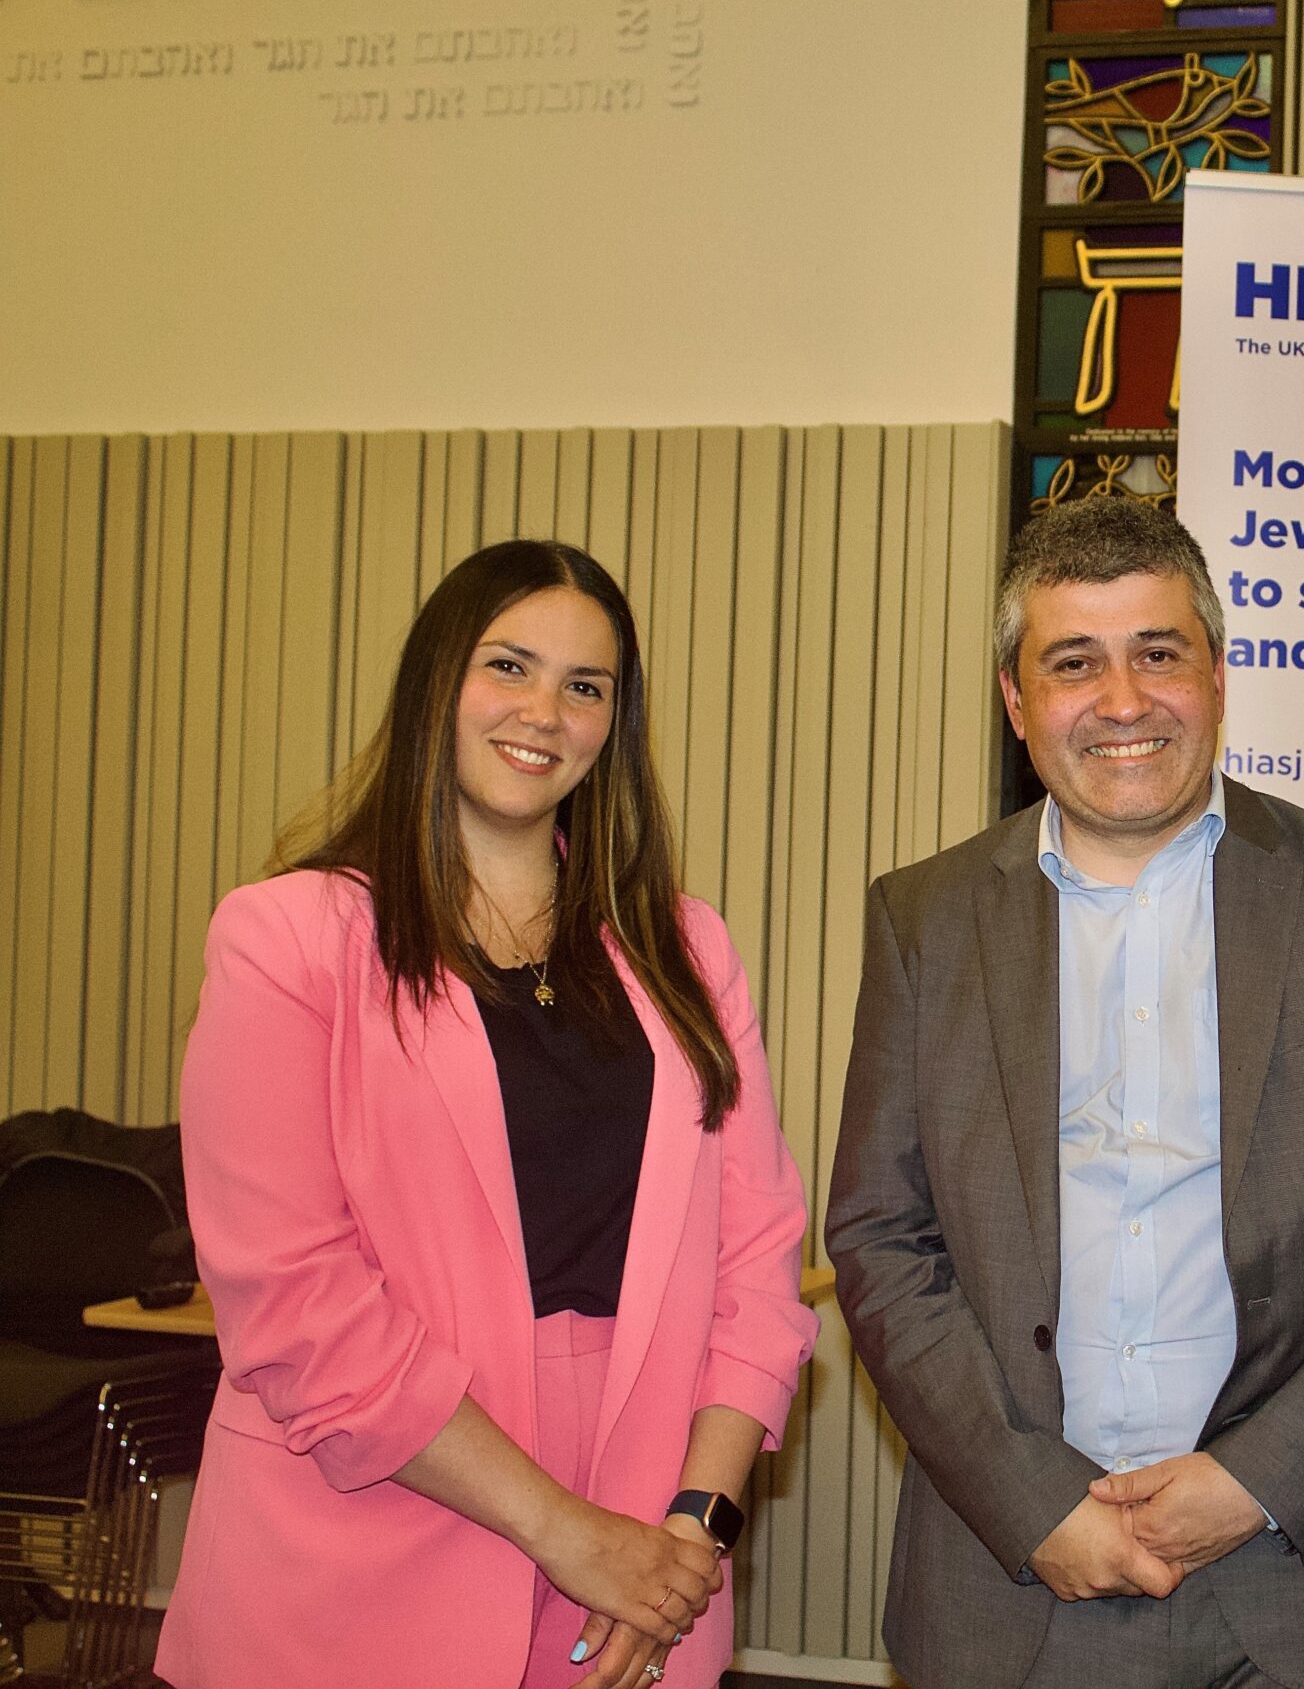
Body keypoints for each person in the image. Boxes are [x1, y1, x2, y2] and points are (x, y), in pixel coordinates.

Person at [825, 496, 1304, 1689]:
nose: (1122, 703)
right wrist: (1034, 1503)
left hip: (1288, 1579)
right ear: (1019, 703)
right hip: (1010, 1577)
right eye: (1074, 664)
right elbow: (881, 1238)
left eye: (1158, 654)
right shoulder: (920, 920)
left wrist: (1255, 1480)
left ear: (1219, 677)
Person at [160, 540, 819, 1689]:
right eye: (507, 666)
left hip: (640, 1556)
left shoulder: (686, 949)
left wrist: (686, 1532)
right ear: (436, 684)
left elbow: (758, 1266)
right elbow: (294, 1304)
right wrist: (566, 1533)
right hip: (370, 1534)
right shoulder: (289, 939)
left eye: (585, 686)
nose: (544, 714)